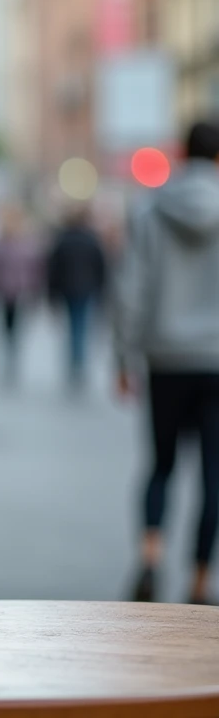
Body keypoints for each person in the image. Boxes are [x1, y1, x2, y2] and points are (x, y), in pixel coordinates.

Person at [113, 120, 219, 605]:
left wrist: (123, 356)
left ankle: (151, 560)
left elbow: (129, 290)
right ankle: (200, 580)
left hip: (165, 360)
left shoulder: (151, 209)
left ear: (182, 153)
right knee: (214, 474)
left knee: (161, 465)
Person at [46, 206, 107, 388]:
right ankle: (78, 360)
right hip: (86, 289)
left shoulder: (62, 239)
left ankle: (75, 359)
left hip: (68, 289)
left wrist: (52, 292)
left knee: (74, 324)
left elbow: (53, 268)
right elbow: (101, 266)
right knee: (80, 324)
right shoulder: (91, 239)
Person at [0, 206, 44, 385]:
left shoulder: (17, 244)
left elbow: (34, 269)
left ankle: (11, 358)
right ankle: (9, 358)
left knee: (11, 328)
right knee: (7, 328)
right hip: (9, 292)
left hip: (15, 292)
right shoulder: (11, 244)